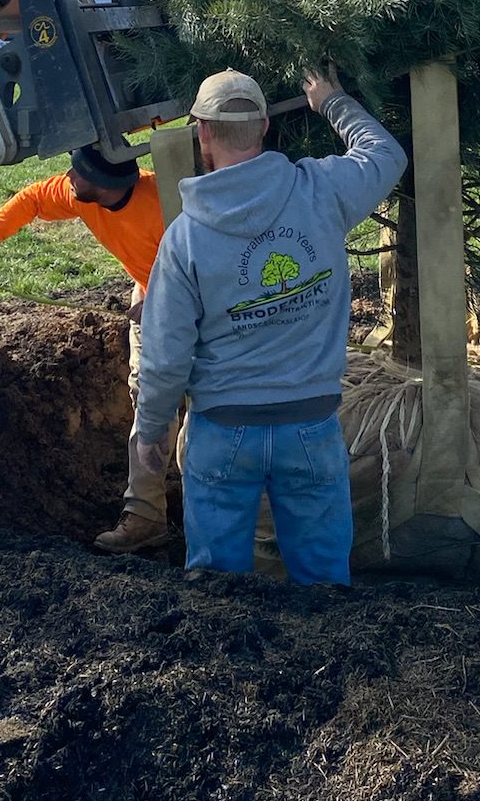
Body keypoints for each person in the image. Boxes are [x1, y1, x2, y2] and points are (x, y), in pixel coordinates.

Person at [134, 65, 407, 585]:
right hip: (311, 426)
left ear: (203, 133)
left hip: (221, 431)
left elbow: (166, 354)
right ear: (263, 127)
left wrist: (151, 432)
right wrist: (332, 102)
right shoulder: (321, 190)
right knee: (324, 587)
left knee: (216, 591)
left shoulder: (185, 237)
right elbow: (386, 155)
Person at [0, 142, 175, 553]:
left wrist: (163, 299)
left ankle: (207, 501)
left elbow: (205, 264)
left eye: (77, 172)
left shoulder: (165, 205)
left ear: (103, 183)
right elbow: (33, 199)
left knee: (203, 402)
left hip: (194, 304)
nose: (68, 178)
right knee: (151, 399)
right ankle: (146, 516)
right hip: (150, 296)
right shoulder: (80, 195)